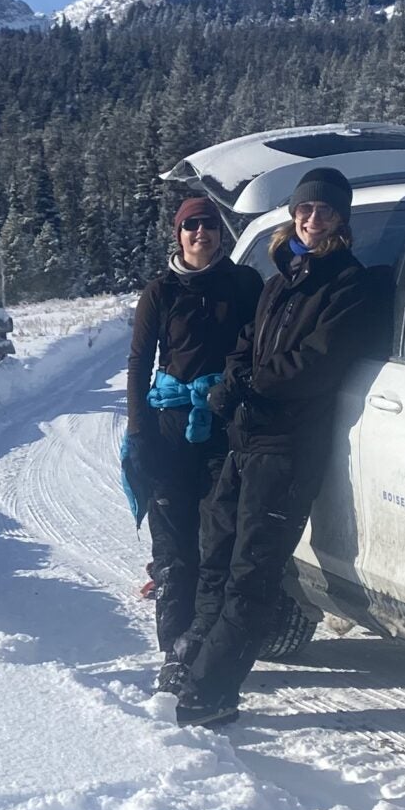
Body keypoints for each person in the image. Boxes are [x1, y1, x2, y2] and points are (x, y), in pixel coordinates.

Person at [163, 167, 391, 727]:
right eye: (305, 209)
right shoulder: (281, 278)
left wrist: (246, 385)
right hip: (246, 435)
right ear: (294, 213)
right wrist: (233, 379)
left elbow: (317, 361)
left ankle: (211, 693)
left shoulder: (347, 284)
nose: (312, 220)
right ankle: (194, 659)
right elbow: (246, 342)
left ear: (342, 219)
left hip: (287, 444)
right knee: (215, 555)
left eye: (326, 211)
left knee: (251, 572)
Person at [125, 196, 263, 666]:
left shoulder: (245, 283)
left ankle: (204, 645)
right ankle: (175, 651)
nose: (200, 233)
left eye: (208, 225)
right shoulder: (160, 292)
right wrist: (139, 433)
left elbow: (261, 348)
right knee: (172, 545)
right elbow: (139, 364)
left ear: (221, 233)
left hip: (224, 429)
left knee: (216, 541)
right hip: (169, 429)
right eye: (191, 226)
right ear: (178, 235)